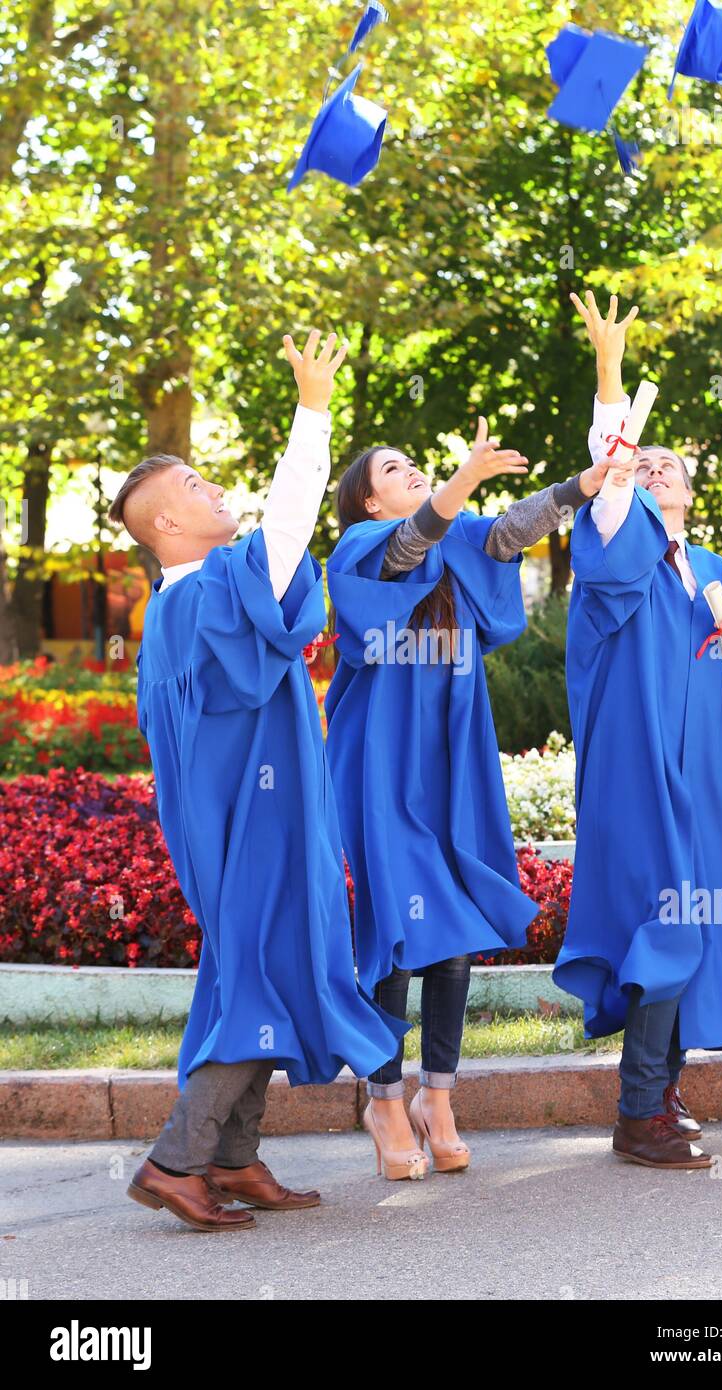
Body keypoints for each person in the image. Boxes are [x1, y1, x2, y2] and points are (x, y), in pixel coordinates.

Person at [108, 330, 408, 1231]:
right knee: (263, 976)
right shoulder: (201, 597)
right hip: (252, 831)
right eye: (194, 488)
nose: (213, 490)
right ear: (164, 524)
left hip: (252, 822)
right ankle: (174, 1161)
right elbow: (285, 534)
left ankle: (232, 1159)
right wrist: (310, 412)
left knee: (254, 971)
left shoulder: (177, 610)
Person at [325, 412, 617, 1179]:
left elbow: (507, 532)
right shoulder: (361, 548)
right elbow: (409, 545)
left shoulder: (453, 530)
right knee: (394, 923)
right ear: (367, 501)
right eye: (390, 470)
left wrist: (581, 485)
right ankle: (383, 1100)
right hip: (384, 759)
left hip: (453, 752)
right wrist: (458, 482)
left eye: (411, 462)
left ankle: (438, 1097)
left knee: (453, 922)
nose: (409, 470)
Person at [553, 290, 722, 1170]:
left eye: (667, 469)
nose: (653, 475)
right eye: (642, 468)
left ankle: (662, 1092)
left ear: (691, 489)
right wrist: (610, 373)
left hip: (707, 773)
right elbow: (609, 465)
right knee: (659, 920)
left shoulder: (716, 569)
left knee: (692, 921)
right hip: (637, 768)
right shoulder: (617, 541)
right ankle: (637, 1111)